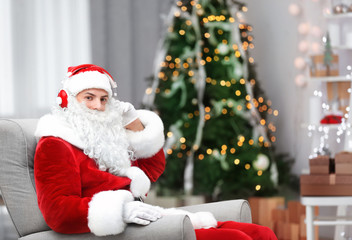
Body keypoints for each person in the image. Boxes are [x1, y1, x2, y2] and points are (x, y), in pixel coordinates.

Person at [34, 64, 277, 240]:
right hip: (118, 228)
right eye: (89, 97)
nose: (98, 106)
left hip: (147, 217)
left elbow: (151, 169)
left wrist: (135, 124)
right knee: (235, 238)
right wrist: (122, 210)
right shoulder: (56, 145)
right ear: (69, 100)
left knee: (260, 233)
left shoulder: (105, 139)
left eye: (104, 99)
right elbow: (58, 212)